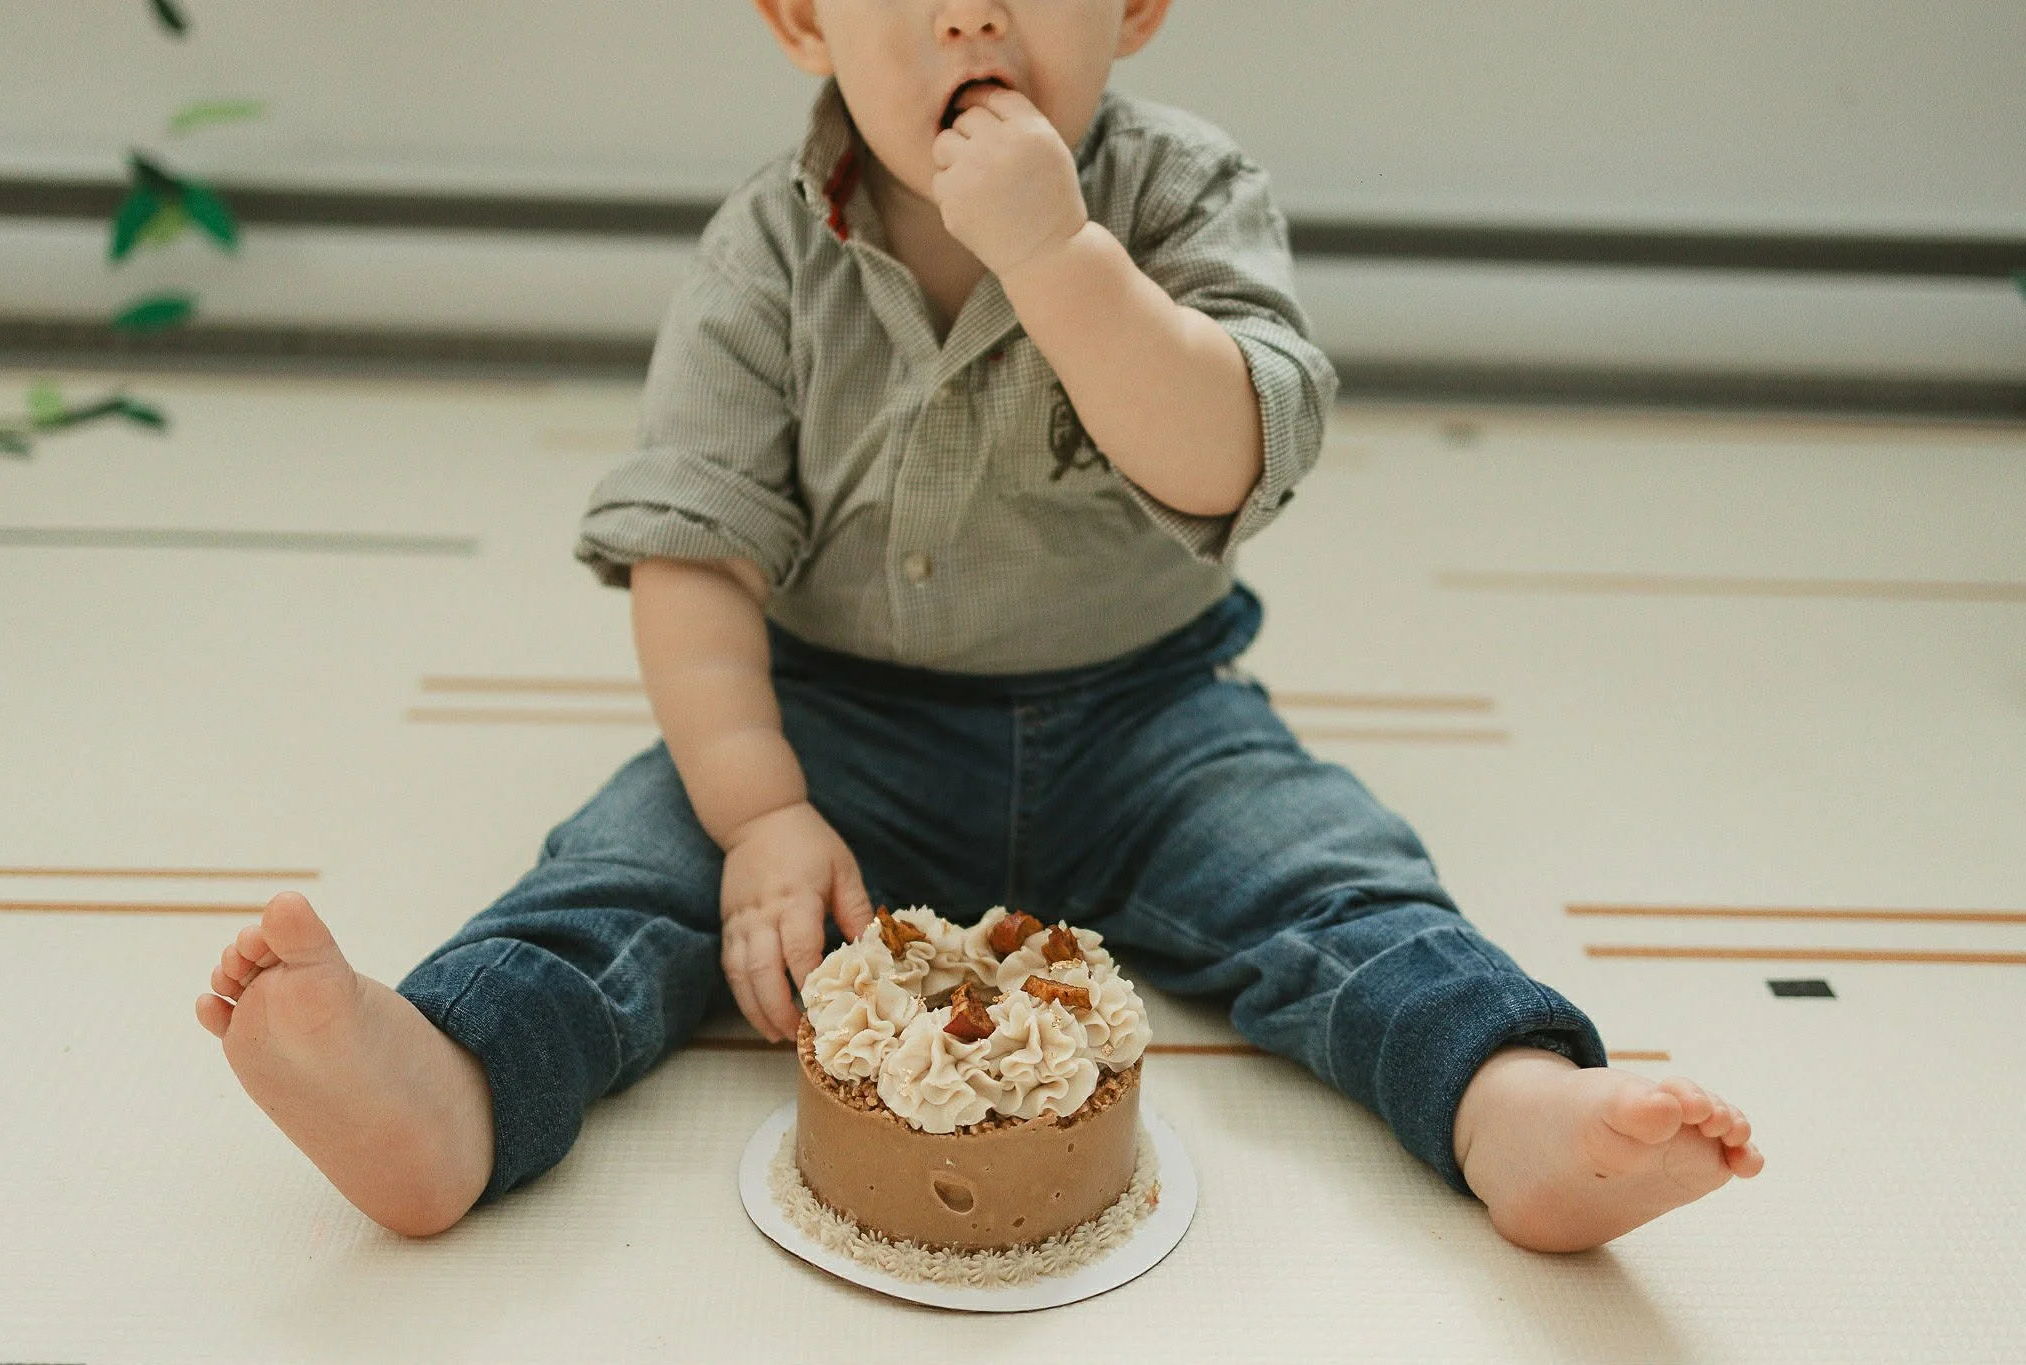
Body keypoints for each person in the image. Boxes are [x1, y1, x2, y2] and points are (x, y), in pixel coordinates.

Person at [195, 0, 1762, 1252]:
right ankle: (452, 1084)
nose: (968, 15)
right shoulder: (766, 252)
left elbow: (1225, 455)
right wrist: (761, 810)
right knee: (626, 871)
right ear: (800, 17)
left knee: (1337, 880)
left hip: (1153, 722)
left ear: (1134, 7)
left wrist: (1057, 256)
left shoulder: (1187, 193)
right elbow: (694, 558)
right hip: (831, 726)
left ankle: (1511, 1105)